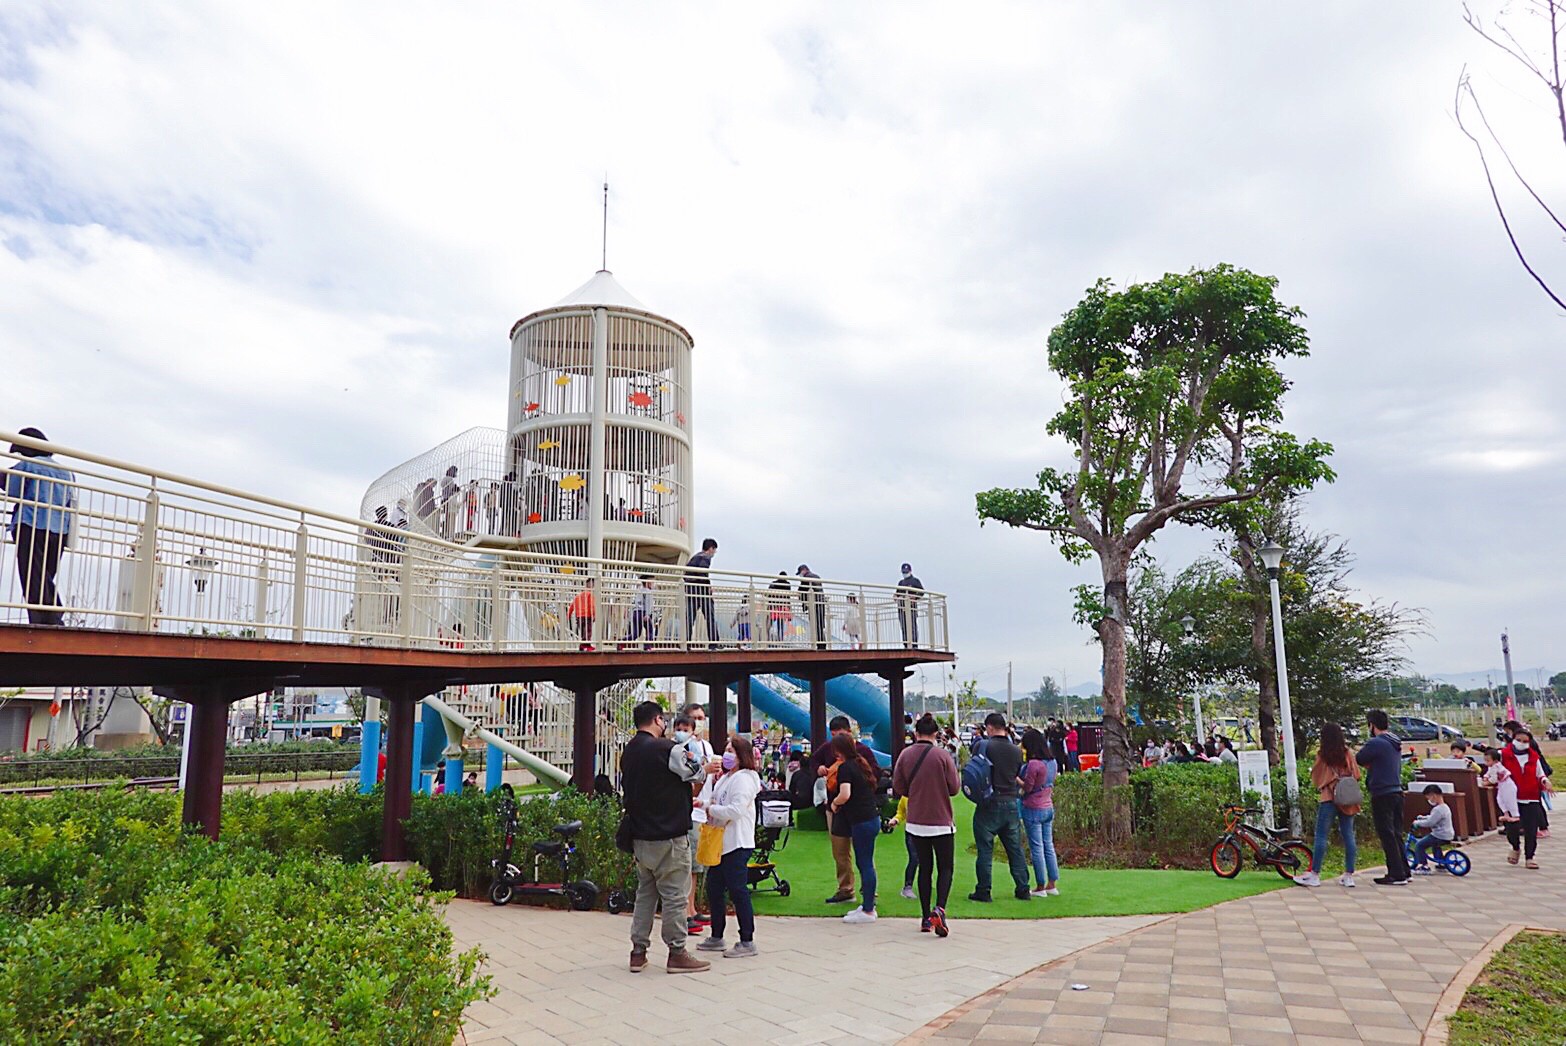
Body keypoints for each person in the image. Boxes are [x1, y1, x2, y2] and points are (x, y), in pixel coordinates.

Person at [621, 700, 711, 974]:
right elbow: (694, 772)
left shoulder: (629, 751)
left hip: (640, 836)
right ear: (658, 720)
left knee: (645, 895)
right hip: (669, 836)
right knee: (674, 896)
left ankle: (638, 952)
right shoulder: (666, 749)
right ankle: (677, 951)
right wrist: (708, 768)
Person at [693, 733, 762, 958]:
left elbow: (735, 810)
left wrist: (709, 810)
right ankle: (717, 934)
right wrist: (703, 803)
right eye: (726, 750)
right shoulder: (726, 777)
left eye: (731, 751)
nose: (726, 755)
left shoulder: (744, 779)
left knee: (737, 889)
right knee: (714, 888)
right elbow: (716, 800)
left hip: (737, 843)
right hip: (721, 843)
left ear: (742, 755)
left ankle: (747, 939)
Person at [892, 713, 960, 936]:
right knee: (946, 867)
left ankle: (924, 917)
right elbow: (954, 788)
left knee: (924, 868)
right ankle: (939, 908)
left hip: (916, 821)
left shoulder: (905, 755)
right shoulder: (942, 756)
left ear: (916, 732)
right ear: (936, 734)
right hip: (941, 821)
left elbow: (899, 787)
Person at [5, 429, 75, 626]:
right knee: (45, 575)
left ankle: (47, 620)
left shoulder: (28, 465)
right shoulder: (66, 472)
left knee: (32, 576)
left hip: (31, 524)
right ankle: (52, 617)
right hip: (59, 529)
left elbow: (13, 488)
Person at [810, 715, 878, 904]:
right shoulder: (828, 749)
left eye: (840, 735)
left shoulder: (863, 753)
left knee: (864, 853)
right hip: (839, 810)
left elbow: (875, 775)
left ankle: (869, 889)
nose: (836, 742)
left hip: (854, 810)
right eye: (833, 736)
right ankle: (846, 888)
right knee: (840, 851)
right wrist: (820, 769)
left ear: (849, 732)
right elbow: (813, 761)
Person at [969, 713, 1031, 902]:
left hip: (990, 803)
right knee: (1015, 849)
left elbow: (975, 769)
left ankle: (984, 890)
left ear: (989, 727)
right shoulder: (1016, 751)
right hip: (1011, 802)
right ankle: (1023, 888)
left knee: (985, 849)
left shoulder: (984, 746)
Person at [1294, 722, 1360, 888]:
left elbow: (1316, 777)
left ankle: (1315, 874)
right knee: (1348, 835)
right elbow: (1356, 774)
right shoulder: (1348, 753)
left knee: (1322, 835)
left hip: (1329, 797)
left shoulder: (1323, 755)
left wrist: (1328, 782)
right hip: (1347, 799)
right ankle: (1349, 875)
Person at [827, 733, 882, 924]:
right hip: (871, 818)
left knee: (865, 863)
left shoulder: (845, 768)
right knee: (866, 862)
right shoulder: (860, 763)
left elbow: (845, 794)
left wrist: (834, 804)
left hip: (861, 821)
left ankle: (868, 910)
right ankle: (867, 904)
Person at [674, 706, 718, 931]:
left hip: (703, 811)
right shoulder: (680, 749)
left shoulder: (705, 746)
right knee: (688, 866)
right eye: (695, 719)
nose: (699, 722)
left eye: (702, 718)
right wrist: (705, 771)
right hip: (690, 812)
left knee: (697, 867)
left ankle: (692, 909)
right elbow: (691, 780)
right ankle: (685, 912)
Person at [1358, 709, 1410, 886]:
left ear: (1372, 725)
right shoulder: (1394, 740)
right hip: (1396, 790)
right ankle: (1404, 870)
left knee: (1386, 834)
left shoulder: (1376, 743)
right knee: (1396, 833)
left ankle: (1396, 874)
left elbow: (1359, 758)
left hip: (1382, 792)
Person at [1500, 727, 1551, 868]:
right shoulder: (1503, 755)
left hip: (1531, 797)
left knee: (1531, 829)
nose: (1522, 743)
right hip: (1511, 799)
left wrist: (1545, 782)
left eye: (1525, 741)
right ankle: (1515, 847)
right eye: (1519, 740)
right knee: (1512, 829)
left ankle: (1530, 857)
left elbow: (1540, 774)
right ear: (1513, 739)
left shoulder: (1534, 757)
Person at [1019, 727, 1060, 897]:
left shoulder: (1034, 764)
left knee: (1037, 848)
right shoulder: (1052, 762)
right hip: (1047, 805)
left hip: (1033, 807)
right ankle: (1052, 883)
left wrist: (1016, 779)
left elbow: (1028, 787)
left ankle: (1040, 886)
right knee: (1048, 845)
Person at [1409, 784, 1455, 874]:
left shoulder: (1437, 809)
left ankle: (1424, 866)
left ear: (1434, 796)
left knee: (1419, 845)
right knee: (1435, 846)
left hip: (1439, 835)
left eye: (1429, 798)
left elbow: (1430, 822)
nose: (1429, 800)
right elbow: (1433, 818)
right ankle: (1441, 863)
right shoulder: (1445, 807)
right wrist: (1423, 817)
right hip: (1447, 834)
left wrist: (1417, 823)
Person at [684, 538, 719, 646]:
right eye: (714, 550)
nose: (714, 553)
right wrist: (708, 587)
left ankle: (686, 643)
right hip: (701, 592)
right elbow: (702, 573)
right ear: (711, 549)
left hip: (691, 591)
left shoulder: (694, 558)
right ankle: (714, 643)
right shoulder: (705, 557)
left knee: (689, 618)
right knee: (710, 618)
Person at [1481, 747, 1520, 825]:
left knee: (1510, 800)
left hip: (1508, 785)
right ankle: (1506, 813)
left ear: (1495, 761)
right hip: (1501, 785)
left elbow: (1494, 779)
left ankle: (1515, 815)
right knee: (1500, 799)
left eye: (1488, 761)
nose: (1486, 762)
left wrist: (1486, 782)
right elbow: (1489, 773)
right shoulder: (1491, 767)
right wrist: (1486, 776)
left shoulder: (1496, 766)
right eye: (1485, 760)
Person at [796, 565, 826, 650]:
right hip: (821, 602)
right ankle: (822, 644)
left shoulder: (806, 578)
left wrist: (803, 601)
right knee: (820, 625)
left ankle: (818, 645)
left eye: (800, 573)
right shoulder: (817, 576)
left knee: (815, 625)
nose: (800, 576)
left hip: (814, 604)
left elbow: (801, 590)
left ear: (803, 570)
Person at [895, 563, 923, 647]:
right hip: (901, 608)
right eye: (903, 572)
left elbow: (921, 592)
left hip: (911, 608)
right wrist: (896, 597)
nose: (905, 573)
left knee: (912, 626)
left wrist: (915, 597)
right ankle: (906, 644)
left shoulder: (915, 581)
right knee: (904, 627)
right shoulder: (901, 583)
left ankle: (914, 644)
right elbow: (897, 593)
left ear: (910, 571)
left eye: (906, 572)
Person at [627, 574, 656, 647]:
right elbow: (648, 604)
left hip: (636, 612)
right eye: (652, 582)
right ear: (647, 582)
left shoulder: (639, 591)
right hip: (643, 613)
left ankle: (623, 642)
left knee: (636, 633)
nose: (653, 584)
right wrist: (648, 614)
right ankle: (648, 646)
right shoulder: (648, 592)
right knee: (650, 630)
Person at [569, 578, 596, 651]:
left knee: (583, 632)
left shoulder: (578, 596)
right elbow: (591, 606)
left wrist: (568, 614)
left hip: (579, 617)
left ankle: (586, 645)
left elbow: (572, 605)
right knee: (588, 632)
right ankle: (584, 645)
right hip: (587, 616)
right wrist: (594, 614)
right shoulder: (590, 594)